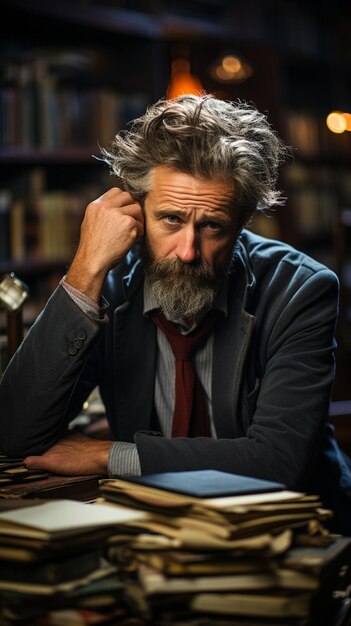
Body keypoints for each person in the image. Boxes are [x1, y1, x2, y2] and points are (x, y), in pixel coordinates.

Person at [0, 94, 350, 533]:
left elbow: (277, 461)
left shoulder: (302, 290)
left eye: (212, 226)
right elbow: (14, 434)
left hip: (293, 530)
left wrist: (108, 454)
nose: (187, 252)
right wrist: (84, 268)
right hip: (156, 527)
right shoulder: (107, 284)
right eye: (169, 219)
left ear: (241, 223)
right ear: (136, 211)